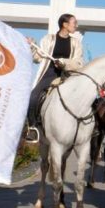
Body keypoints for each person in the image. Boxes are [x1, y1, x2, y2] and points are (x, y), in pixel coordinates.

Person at [25, 13, 84, 143]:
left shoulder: (76, 43)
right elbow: (38, 58)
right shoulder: (48, 39)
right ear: (65, 24)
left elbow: (79, 63)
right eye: (74, 23)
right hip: (50, 73)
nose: (76, 25)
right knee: (33, 97)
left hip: (68, 74)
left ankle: (87, 127)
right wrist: (32, 46)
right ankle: (33, 128)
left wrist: (64, 62)